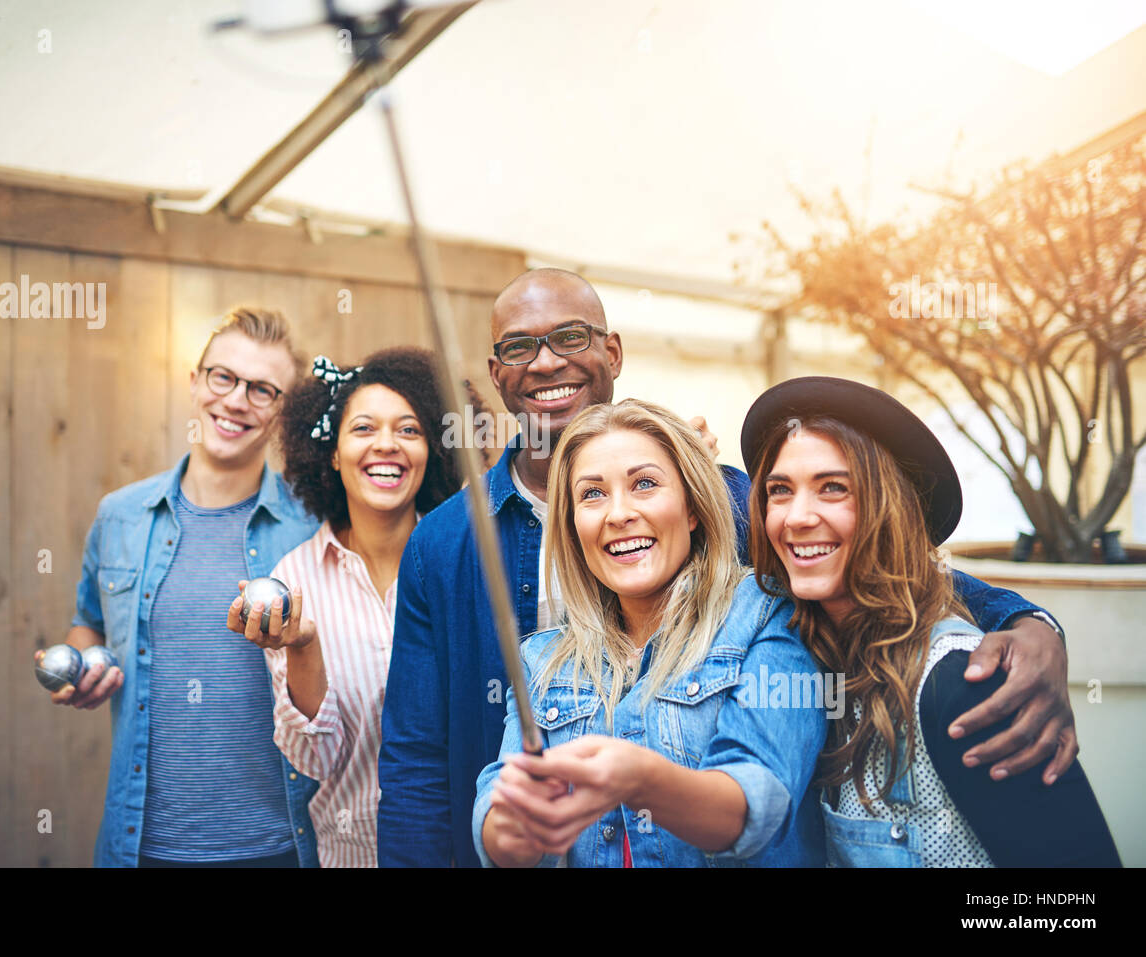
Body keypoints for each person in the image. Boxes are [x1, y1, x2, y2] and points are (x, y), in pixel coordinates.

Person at [378, 267, 1077, 868]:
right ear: (497, 372)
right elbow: (416, 762)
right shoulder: (448, 550)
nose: (546, 362)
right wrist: (510, 826)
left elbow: (865, 558)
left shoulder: (757, 586)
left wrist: (1025, 618)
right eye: (519, 347)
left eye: (570, 337)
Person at [741, 376, 1119, 866]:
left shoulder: (961, 683)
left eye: (833, 488)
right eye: (780, 491)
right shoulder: (806, 657)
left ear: (890, 509)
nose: (796, 516)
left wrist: (1038, 624)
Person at [475, 400, 827, 867]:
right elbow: (500, 831)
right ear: (572, 524)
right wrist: (516, 826)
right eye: (592, 494)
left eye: (644, 484)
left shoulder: (766, 615)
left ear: (693, 508)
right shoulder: (542, 658)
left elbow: (752, 807)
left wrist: (641, 779)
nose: (618, 513)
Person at [48, 306, 321, 867]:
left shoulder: (312, 527)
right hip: (142, 849)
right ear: (195, 381)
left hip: (279, 847)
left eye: (263, 389)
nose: (237, 399)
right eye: (224, 377)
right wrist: (80, 667)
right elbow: (89, 624)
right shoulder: (119, 515)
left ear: (281, 413)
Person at [227, 348, 466, 867]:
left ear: (434, 451)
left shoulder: (465, 563)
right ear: (333, 452)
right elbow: (315, 757)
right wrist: (303, 646)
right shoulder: (294, 579)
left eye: (409, 430)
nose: (387, 445)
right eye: (363, 428)